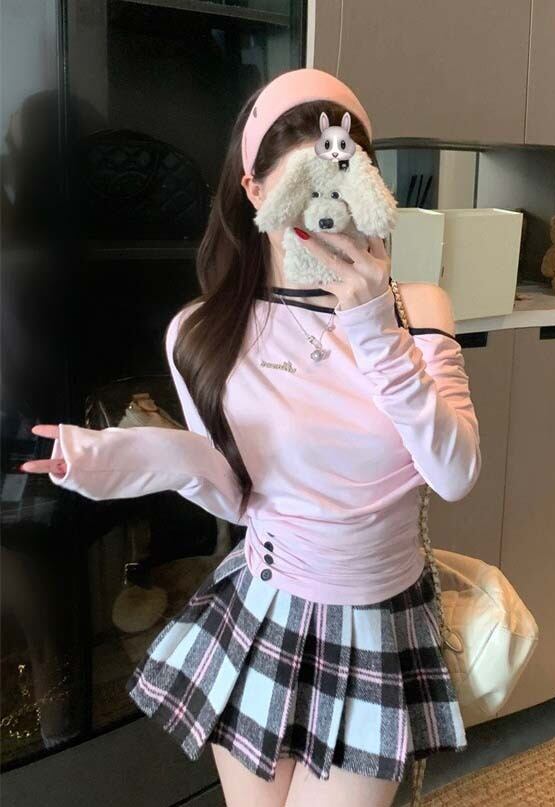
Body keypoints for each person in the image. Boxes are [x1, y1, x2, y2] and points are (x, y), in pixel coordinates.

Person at [20, 68, 481, 807]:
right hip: (265, 611)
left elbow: (454, 472)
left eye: (340, 187)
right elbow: (238, 499)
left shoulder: (418, 309)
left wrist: (375, 329)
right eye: (300, 191)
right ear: (254, 189)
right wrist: (150, 457)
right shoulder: (203, 334)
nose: (322, 216)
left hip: (377, 622)